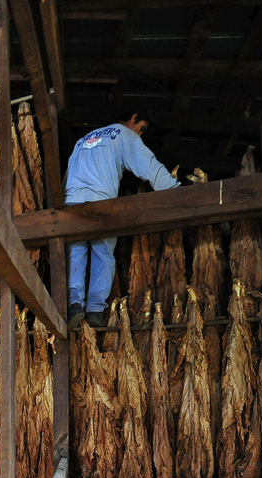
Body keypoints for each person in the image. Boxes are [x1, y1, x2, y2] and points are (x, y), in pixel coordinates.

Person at [64, 112, 180, 329]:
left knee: (75, 251)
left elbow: (68, 173)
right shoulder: (124, 134)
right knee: (103, 254)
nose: (140, 134)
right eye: (141, 128)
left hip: (73, 202)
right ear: (132, 118)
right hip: (102, 202)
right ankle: (95, 310)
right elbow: (147, 164)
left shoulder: (83, 139)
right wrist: (173, 191)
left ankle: (74, 305)